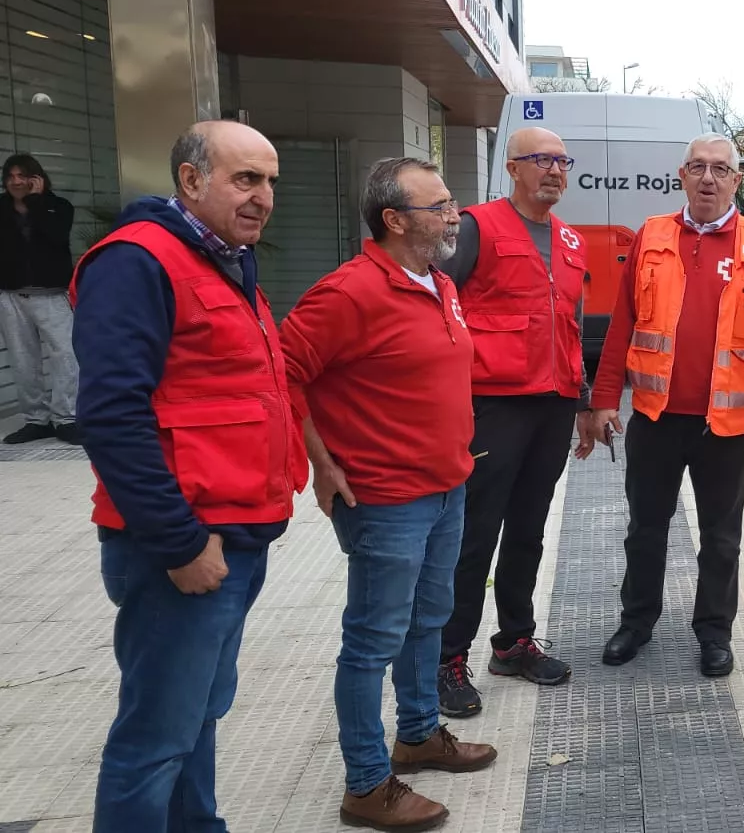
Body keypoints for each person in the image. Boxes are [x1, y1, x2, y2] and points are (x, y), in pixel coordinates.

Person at [72, 121, 308, 831]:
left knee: (199, 717)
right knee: (155, 740)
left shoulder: (224, 260)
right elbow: (112, 416)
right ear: (190, 180)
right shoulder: (137, 262)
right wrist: (178, 542)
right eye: (246, 180)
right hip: (184, 546)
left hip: (236, 534)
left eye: (270, 182)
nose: (263, 197)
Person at [281, 158, 496, 831]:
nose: (454, 214)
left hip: (445, 486)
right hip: (384, 499)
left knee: (428, 621)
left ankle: (420, 732)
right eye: (438, 206)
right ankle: (368, 783)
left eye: (452, 201)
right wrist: (322, 463)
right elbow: (282, 374)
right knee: (372, 640)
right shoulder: (347, 293)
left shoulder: (436, 282)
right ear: (394, 220)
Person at [590, 133, 744, 677]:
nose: (709, 178)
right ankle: (636, 621)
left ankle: (713, 631)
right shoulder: (652, 236)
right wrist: (604, 399)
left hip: (725, 425)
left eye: (721, 169)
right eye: (698, 167)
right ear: (681, 176)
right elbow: (623, 324)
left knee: (721, 537)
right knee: (645, 528)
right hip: (657, 418)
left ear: (737, 180)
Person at [432, 126, 594, 719]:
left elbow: (569, 328)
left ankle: (513, 642)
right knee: (474, 535)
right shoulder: (475, 228)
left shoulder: (572, 241)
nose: (554, 170)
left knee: (528, 530)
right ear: (513, 168)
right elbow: (439, 305)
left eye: (561, 160)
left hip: (550, 405)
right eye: (541, 160)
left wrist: (580, 402)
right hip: (491, 405)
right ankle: (448, 658)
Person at [0, 153, 80, 444]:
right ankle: (36, 420)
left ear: (37, 178)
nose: (16, 181)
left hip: (52, 295)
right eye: (11, 176)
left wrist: (35, 202)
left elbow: (56, 237)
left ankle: (66, 418)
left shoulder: (59, 207)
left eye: (23, 175)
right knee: (24, 361)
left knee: (66, 356)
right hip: (11, 296)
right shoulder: (1, 208)